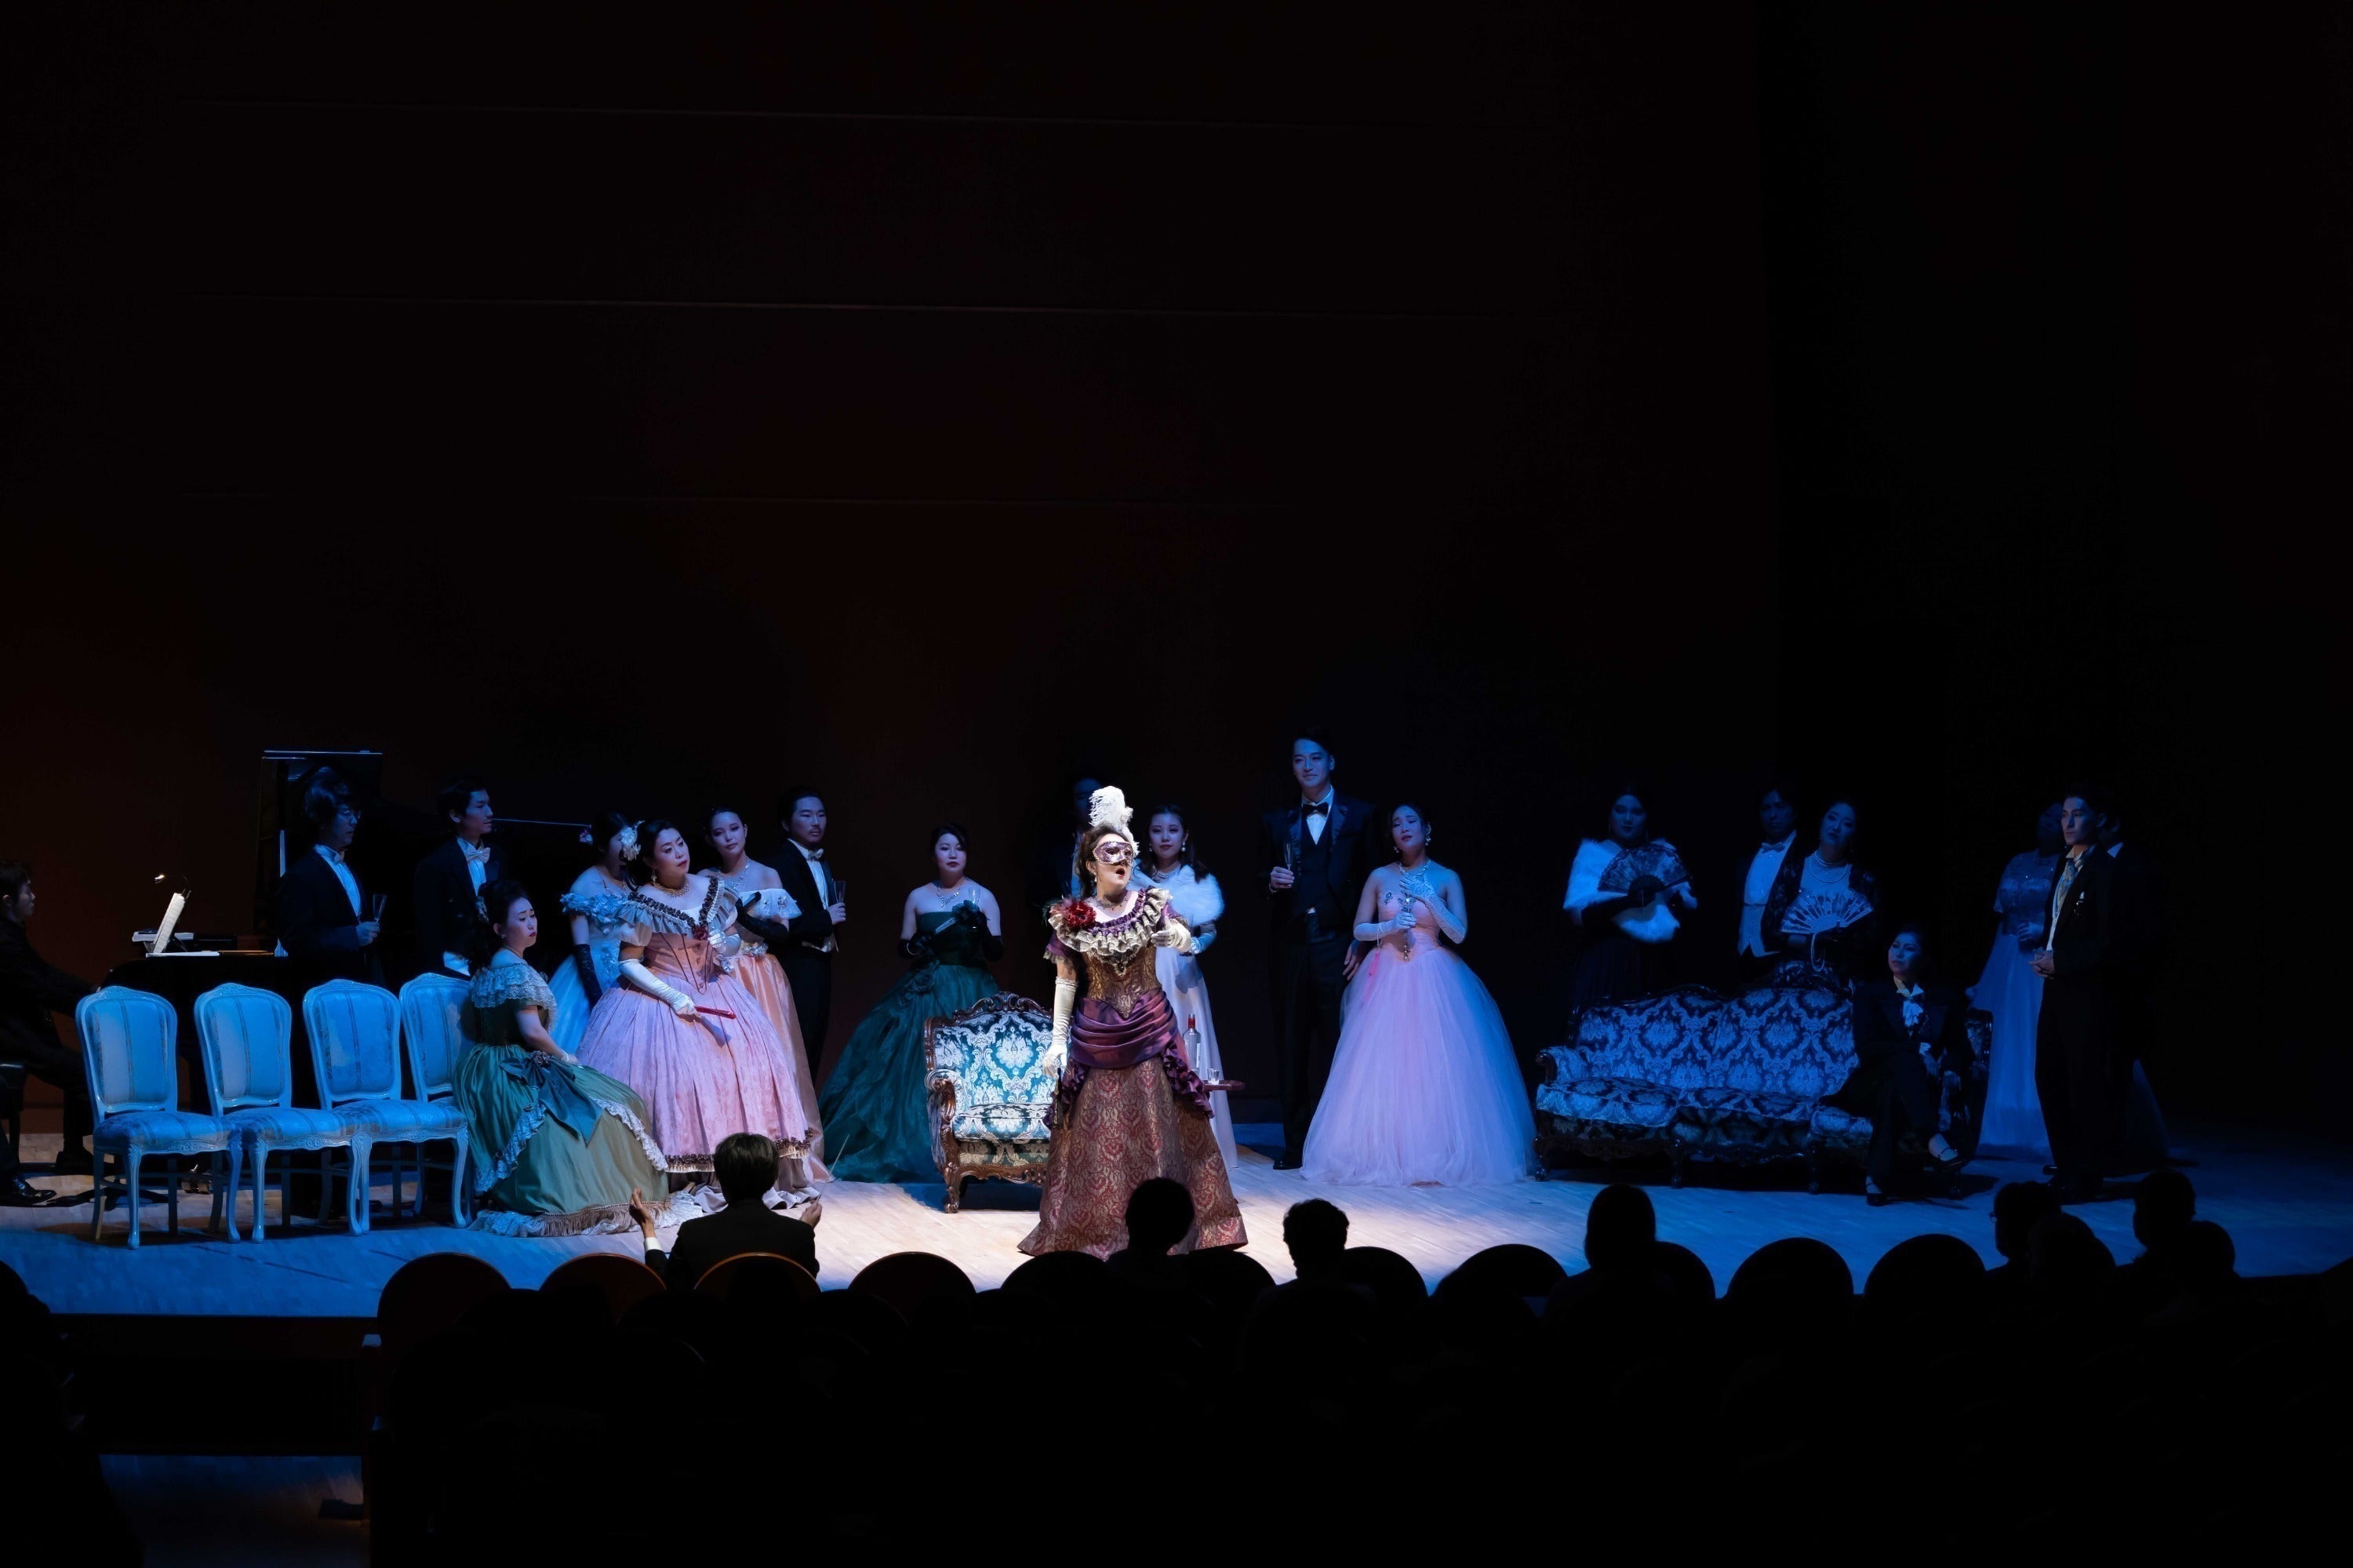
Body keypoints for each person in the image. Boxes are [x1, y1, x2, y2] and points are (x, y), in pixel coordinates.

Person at [1022, 786, 1244, 1257]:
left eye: (1126, 850)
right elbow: (1066, 981)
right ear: (1090, 865)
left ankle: (1173, 1229)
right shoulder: (1074, 917)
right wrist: (1058, 1040)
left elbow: (1183, 936)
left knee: (1158, 1129)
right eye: (1109, 852)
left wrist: (1177, 937)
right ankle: (1094, 1231)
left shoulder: (1152, 903)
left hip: (1150, 1029)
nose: (1121, 858)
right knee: (1099, 1134)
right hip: (1097, 1036)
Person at [572, 820, 818, 1212]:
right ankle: (688, 1173)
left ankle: (747, 1171)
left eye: (681, 844)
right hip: (661, 997)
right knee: (682, 1077)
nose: (680, 853)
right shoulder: (644, 902)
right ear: (651, 861)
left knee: (750, 1067)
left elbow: (733, 940)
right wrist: (671, 996)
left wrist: (727, 943)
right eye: (668, 850)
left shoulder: (710, 887)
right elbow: (628, 962)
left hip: (717, 988)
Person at [1304, 802, 1534, 1186]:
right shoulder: (1380, 876)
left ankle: (1434, 1151)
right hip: (1388, 973)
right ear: (1392, 836)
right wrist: (1390, 925)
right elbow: (1359, 929)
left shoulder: (1446, 877)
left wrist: (1432, 898)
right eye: (1396, 823)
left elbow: (1459, 933)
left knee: (1434, 1064)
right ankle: (1383, 1150)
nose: (1403, 827)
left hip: (1433, 974)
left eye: (1411, 821)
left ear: (1427, 829)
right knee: (1384, 1065)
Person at [455, 881, 667, 1236]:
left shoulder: (493, 966)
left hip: (488, 1063)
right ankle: (594, 1197)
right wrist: (568, 1058)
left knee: (610, 1100)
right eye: (522, 919)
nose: (532, 924)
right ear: (499, 929)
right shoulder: (514, 971)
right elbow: (532, 1033)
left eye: (532, 915)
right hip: (510, 1066)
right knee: (598, 1108)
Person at [820, 822, 1004, 1183]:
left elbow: (996, 951)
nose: (952, 854)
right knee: (913, 1066)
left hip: (970, 990)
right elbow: (903, 947)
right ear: (934, 855)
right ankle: (918, 1146)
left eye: (959, 848)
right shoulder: (919, 896)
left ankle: (974, 1152)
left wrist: (981, 928)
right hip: (927, 988)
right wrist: (915, 945)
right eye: (945, 848)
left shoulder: (984, 895)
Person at [1259, 732, 1379, 1170]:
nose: (1307, 767)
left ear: (1331, 761)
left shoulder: (1361, 815)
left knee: (1339, 1044)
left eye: (1315, 758)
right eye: (1299, 760)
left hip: (1338, 943)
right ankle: (1295, 1146)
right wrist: (1271, 882)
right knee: (1291, 1044)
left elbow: (1375, 878)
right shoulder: (1277, 820)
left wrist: (1363, 942)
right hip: (1291, 944)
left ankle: (1339, 1146)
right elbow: (1257, 876)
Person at [704, 805, 827, 1183]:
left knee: (776, 1060)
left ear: (745, 830)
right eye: (719, 832)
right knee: (726, 1064)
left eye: (734, 829)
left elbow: (783, 933)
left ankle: (779, 1154)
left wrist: (742, 917)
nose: (728, 837)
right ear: (710, 839)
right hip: (720, 974)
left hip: (760, 974)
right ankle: (729, 1154)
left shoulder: (767, 874)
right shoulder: (705, 879)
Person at [1824, 923, 1969, 1205]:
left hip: (1917, 1090)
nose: (1898, 954)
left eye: (1909, 948)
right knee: (1901, 1063)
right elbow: (1867, 1049)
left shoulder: (1942, 998)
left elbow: (1960, 1045)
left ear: (1923, 958)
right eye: (1895, 946)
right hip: (1868, 1085)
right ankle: (1931, 1137)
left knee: (1893, 1091)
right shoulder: (1870, 995)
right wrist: (1917, 1052)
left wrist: (1951, 1066)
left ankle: (1876, 1178)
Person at [1133, 802, 1238, 1170]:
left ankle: (1197, 1148)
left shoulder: (1199, 879)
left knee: (1188, 1049)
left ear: (1185, 836)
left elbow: (1209, 930)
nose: (1165, 837)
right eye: (1157, 830)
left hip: (1181, 973)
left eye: (1173, 830)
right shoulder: (1133, 876)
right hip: (1143, 971)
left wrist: (1194, 945)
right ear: (1148, 837)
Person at [2031, 788, 2124, 1202]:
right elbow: (2059, 922)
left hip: (2086, 991)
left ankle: (2086, 1175)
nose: (2068, 823)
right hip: (2057, 986)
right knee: (2048, 1074)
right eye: (2064, 815)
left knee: (2083, 1081)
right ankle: (2066, 1166)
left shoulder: (2106, 870)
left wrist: (2063, 961)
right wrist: (2047, 951)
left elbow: (2111, 941)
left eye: (2078, 815)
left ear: (2096, 820)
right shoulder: (2064, 863)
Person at [1971, 803, 2062, 1161]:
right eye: (2045, 815)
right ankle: (1991, 1120)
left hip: (2041, 956)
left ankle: (2035, 1121)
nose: (2048, 822)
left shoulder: (2067, 865)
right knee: (1998, 1035)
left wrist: (2044, 930)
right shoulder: (2017, 861)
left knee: (2031, 1034)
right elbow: (2003, 916)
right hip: (2007, 955)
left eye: (2057, 818)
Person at [0, 860, 95, 1197]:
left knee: (80, 1070)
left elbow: (46, 973)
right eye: (27, 891)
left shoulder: (12, 935)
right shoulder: (4, 942)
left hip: (21, 1032)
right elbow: (41, 989)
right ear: (8, 901)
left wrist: (93, 991)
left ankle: (73, 1152)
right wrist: (88, 1004)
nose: (34, 896)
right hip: (13, 1038)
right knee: (82, 1073)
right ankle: (73, 1153)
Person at [1564, 785, 1696, 1014]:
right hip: (1608, 961)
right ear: (1609, 814)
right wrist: (1626, 902)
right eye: (1620, 810)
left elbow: (1684, 909)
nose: (1627, 819)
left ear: (1647, 816)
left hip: (1653, 963)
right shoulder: (1592, 856)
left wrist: (1672, 900)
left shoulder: (1661, 856)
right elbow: (1579, 916)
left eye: (1636, 812)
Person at [630, 1132, 819, 1290]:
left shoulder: (693, 1233)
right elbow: (805, 1286)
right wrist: (804, 1231)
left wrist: (648, 1228)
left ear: (719, 1177)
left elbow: (667, 1288)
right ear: (773, 1178)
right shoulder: (799, 1234)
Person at [2100, 805, 2175, 1173]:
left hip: (2122, 986)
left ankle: (2112, 1153)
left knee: (2115, 1068)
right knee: (2093, 1070)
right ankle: (2092, 1153)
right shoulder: (2086, 862)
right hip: (2091, 983)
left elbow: (2146, 932)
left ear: (2111, 822)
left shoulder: (2136, 867)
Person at [274, 766, 385, 989]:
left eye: (356, 813)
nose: (354, 821)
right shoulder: (300, 876)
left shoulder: (349, 866)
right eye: (346, 813)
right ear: (323, 820)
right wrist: (352, 936)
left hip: (359, 984)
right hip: (323, 990)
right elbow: (297, 940)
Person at [1759, 799, 1880, 986]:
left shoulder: (1862, 881)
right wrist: (1813, 941)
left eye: (1847, 824)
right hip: (1792, 974)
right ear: (1821, 822)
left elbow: (1869, 940)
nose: (1836, 827)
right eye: (1832, 818)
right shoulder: (1793, 872)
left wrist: (1839, 942)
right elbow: (1770, 932)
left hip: (1841, 978)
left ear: (1854, 834)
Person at [546, 813, 637, 1057]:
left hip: (630, 965)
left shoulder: (633, 880)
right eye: (620, 839)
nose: (627, 844)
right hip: (595, 970)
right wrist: (596, 996)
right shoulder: (584, 885)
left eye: (629, 838)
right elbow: (581, 947)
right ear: (602, 846)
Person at [769, 788, 846, 1071]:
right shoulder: (780, 862)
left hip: (820, 961)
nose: (816, 822)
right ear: (786, 823)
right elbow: (781, 922)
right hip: (796, 963)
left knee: (814, 1043)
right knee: (796, 1045)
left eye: (821, 815)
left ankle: (808, 1100)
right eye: (806, 815)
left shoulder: (820, 859)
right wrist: (825, 919)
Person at [412, 774, 501, 978]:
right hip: (453, 968)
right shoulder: (435, 865)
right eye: (480, 806)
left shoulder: (498, 856)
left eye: (488, 805)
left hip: (494, 965)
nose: (490, 812)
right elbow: (429, 931)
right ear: (455, 815)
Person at [1734, 784, 1799, 980]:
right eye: (1766, 808)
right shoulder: (1745, 856)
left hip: (1783, 961)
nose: (1772, 815)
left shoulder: (1805, 857)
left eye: (1780, 807)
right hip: (1742, 956)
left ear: (1794, 811)